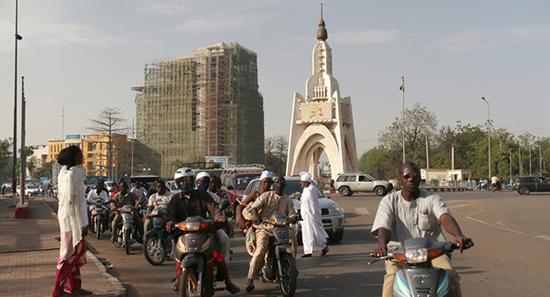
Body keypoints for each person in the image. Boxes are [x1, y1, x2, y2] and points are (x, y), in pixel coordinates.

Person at [371, 162, 474, 297]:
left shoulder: (432, 198)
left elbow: (444, 217)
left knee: (451, 276)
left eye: (415, 175)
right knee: (391, 279)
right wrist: (382, 245)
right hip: (398, 254)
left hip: (433, 252)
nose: (411, 179)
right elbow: (383, 226)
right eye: (406, 176)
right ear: (400, 179)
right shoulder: (389, 201)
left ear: (420, 178)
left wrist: (459, 235)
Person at [166, 167, 240, 295]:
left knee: (217, 252)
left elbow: (214, 208)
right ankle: (179, 277)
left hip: (204, 230)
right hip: (183, 233)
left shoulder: (203, 195)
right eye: (182, 181)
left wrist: (217, 216)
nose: (185, 184)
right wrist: (170, 222)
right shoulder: (175, 199)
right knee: (176, 253)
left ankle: (228, 282)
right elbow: (170, 215)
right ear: (177, 183)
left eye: (188, 180)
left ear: (193, 181)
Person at [242, 175, 297, 292]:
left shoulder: (287, 200)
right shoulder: (266, 196)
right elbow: (254, 208)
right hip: (264, 228)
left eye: (282, 182)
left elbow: (292, 213)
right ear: (274, 184)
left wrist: (293, 218)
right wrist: (256, 216)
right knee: (261, 249)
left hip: (281, 228)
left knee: (293, 240)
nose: (280, 184)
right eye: (278, 182)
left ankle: (291, 267)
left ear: (284, 185)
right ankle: (250, 279)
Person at [52, 145, 92, 296]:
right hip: (72, 219)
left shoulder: (65, 173)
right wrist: (82, 224)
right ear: (74, 157)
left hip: (67, 217)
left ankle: (73, 287)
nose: (82, 156)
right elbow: (72, 201)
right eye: (80, 154)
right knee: (67, 254)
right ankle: (60, 289)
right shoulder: (74, 174)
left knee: (73, 254)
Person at [237, 170, 274, 256]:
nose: (267, 184)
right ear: (261, 182)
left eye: (269, 182)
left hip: (270, 223)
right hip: (257, 224)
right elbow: (240, 206)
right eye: (265, 182)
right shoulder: (255, 194)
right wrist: (240, 219)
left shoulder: (272, 195)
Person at [299, 171, 329, 258]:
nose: (300, 183)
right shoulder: (306, 189)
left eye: (302, 182)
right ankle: (310, 250)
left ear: (306, 182)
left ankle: (322, 247)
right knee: (308, 233)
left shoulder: (310, 190)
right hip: (306, 216)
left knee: (314, 232)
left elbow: (312, 205)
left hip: (311, 216)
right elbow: (305, 202)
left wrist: (312, 216)